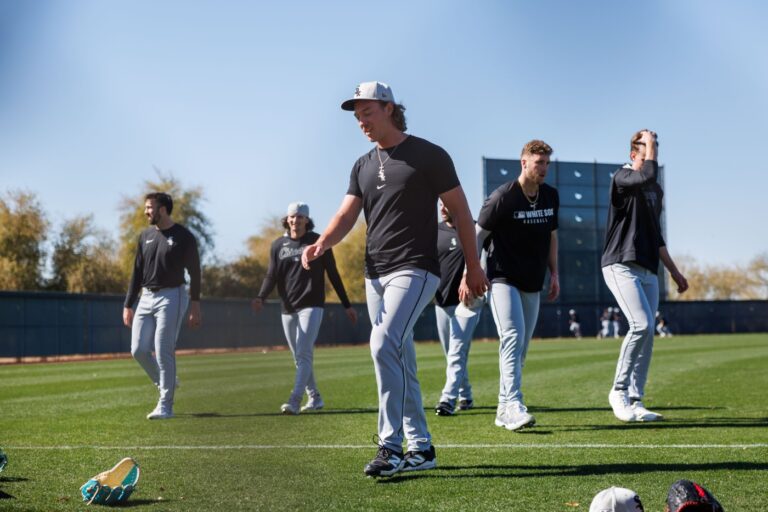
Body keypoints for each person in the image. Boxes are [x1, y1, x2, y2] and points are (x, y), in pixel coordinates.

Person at [302, 81, 488, 477]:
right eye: (356, 116)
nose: (361, 122)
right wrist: (321, 243)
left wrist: (473, 266)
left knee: (382, 341)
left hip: (417, 267)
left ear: (388, 108)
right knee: (399, 354)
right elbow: (346, 215)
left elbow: (460, 209)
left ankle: (390, 446)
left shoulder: (429, 155)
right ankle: (422, 447)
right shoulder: (362, 165)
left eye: (367, 112)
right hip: (376, 273)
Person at [469, 139, 559, 431]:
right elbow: (477, 236)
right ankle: (514, 405)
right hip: (502, 277)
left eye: (546, 163)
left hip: (533, 281)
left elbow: (552, 237)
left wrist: (554, 274)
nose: (543, 168)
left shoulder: (550, 196)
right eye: (538, 163)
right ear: (524, 162)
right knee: (512, 337)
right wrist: (468, 273)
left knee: (521, 348)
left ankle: (502, 407)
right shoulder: (502, 197)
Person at [602, 129, 689, 423]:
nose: (652, 153)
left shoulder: (655, 190)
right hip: (619, 264)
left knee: (649, 332)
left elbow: (656, 234)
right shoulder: (623, 178)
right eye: (647, 148)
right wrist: (648, 143)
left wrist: (674, 271)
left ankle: (636, 399)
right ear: (633, 154)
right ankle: (618, 390)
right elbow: (645, 176)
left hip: (648, 267)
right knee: (640, 324)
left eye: (654, 148)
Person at [253, 202, 357, 414]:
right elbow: (271, 275)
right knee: (298, 356)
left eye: (300, 217)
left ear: (307, 220)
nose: (296, 220)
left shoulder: (318, 242)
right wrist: (260, 297)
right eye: (292, 216)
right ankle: (315, 397)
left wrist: (347, 305)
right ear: (287, 219)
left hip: (311, 304)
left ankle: (294, 400)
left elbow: (333, 274)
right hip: (288, 307)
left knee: (303, 353)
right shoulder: (277, 245)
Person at [123, 192, 202, 420]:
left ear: (163, 209)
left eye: (150, 207)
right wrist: (128, 304)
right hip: (146, 298)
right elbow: (136, 272)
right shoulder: (145, 235)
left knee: (163, 349)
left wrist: (195, 304)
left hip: (173, 296)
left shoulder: (183, 236)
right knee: (138, 350)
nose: (146, 211)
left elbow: (195, 272)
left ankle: (165, 405)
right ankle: (165, 381)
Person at [433, 201, 482, 416]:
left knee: (457, 351)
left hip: (468, 301)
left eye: (447, 204)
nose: (443, 208)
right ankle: (466, 394)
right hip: (441, 302)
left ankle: (447, 399)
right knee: (451, 353)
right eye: (440, 205)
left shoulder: (474, 228)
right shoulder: (433, 231)